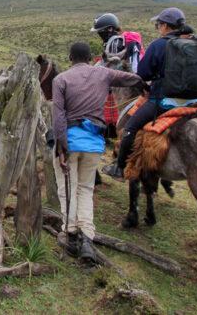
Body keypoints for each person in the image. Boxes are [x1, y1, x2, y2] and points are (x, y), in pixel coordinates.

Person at [51, 41, 146, 264]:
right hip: (94, 143)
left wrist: (61, 146)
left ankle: (71, 233)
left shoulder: (61, 79)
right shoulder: (102, 73)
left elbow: (58, 116)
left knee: (67, 189)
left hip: (71, 142)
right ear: (90, 56)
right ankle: (87, 239)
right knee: (85, 189)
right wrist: (145, 83)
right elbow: (130, 78)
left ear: (70, 58)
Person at [103, 7, 195, 181]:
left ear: (166, 26)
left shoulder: (159, 45)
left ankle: (120, 168)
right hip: (195, 101)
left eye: (158, 24)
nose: (158, 28)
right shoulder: (193, 43)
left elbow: (143, 74)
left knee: (129, 128)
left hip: (165, 101)